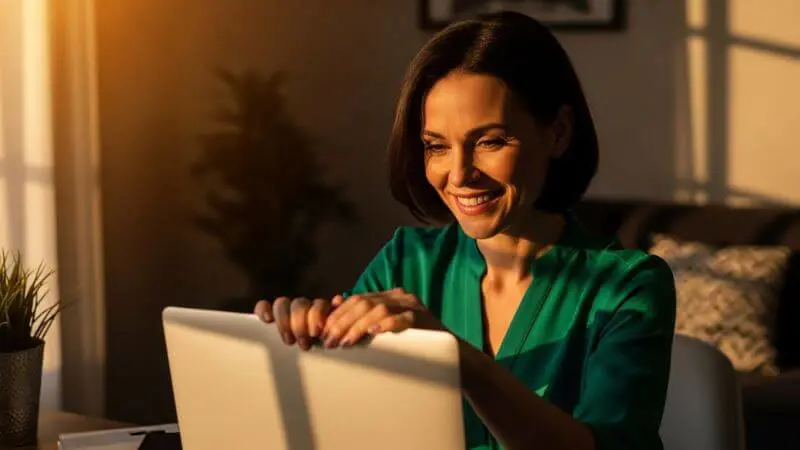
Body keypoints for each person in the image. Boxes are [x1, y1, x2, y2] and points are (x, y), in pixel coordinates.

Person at [254, 11, 676, 450]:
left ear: (559, 133)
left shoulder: (629, 286)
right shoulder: (406, 260)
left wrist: (460, 362)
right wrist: (305, 345)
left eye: (490, 141)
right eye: (436, 146)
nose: (459, 175)